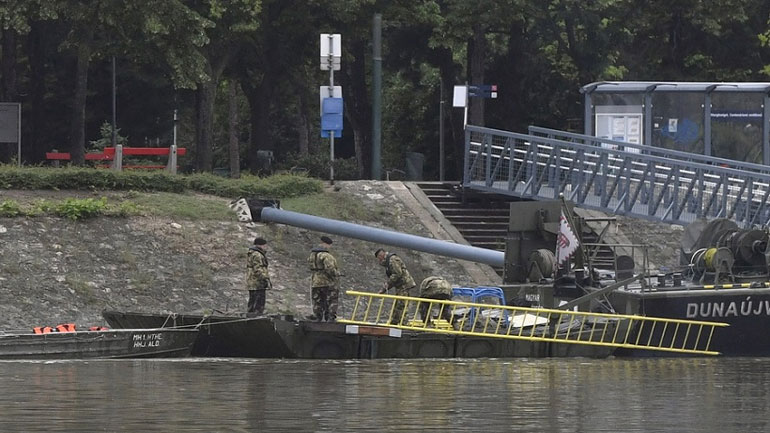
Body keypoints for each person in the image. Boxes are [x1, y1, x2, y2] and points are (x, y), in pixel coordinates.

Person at [374, 248, 416, 324]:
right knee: (398, 303)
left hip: (404, 284)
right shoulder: (388, 262)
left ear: (381, 255)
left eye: (379, 258)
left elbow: (397, 274)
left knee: (402, 304)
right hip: (400, 285)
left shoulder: (392, 260)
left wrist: (388, 284)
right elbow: (394, 276)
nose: (379, 261)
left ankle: (403, 322)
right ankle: (395, 321)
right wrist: (385, 289)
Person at [308, 235, 340, 322]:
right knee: (331, 300)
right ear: (326, 244)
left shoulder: (312, 255)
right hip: (327, 282)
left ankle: (317, 317)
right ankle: (330, 318)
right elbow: (330, 269)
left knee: (317, 300)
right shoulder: (327, 256)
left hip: (315, 281)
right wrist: (337, 274)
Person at [246, 237, 272, 315]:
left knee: (252, 302)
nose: (266, 247)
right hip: (258, 282)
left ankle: (250, 317)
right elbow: (258, 269)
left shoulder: (252, 253)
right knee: (258, 304)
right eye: (264, 245)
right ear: (261, 245)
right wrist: (265, 278)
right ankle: (256, 318)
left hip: (252, 281)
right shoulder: (257, 255)